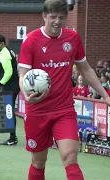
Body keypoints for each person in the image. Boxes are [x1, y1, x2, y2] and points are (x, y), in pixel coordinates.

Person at [18, 0, 110, 179]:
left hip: (64, 110)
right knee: (38, 162)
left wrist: (105, 95)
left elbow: (86, 69)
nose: (57, 21)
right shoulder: (30, 41)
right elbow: (23, 75)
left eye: (61, 17)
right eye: (53, 17)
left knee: (70, 157)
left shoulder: (72, 38)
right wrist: (27, 96)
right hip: (37, 110)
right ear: (44, 16)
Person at [0, 34, 20, 145]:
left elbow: (8, 73)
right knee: (8, 110)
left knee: (9, 111)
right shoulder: (5, 52)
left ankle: (13, 138)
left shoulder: (5, 54)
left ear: (3, 44)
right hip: (11, 85)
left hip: (11, 85)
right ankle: (12, 137)